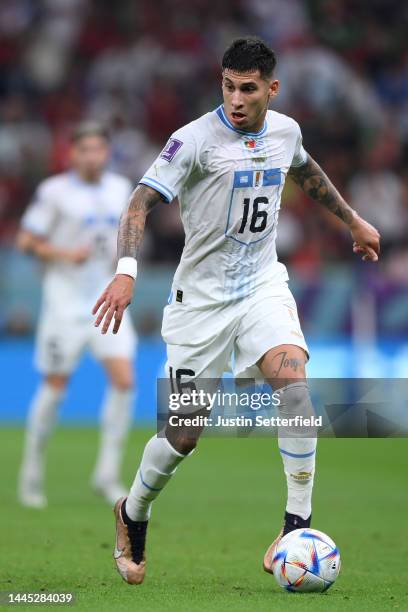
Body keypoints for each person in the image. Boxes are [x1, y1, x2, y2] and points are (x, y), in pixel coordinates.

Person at [93, 37, 380, 585]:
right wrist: (126, 273)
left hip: (261, 287)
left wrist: (352, 220)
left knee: (294, 385)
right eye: (228, 86)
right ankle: (132, 512)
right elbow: (139, 202)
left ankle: (296, 525)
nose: (236, 98)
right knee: (185, 432)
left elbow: (305, 169)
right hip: (199, 305)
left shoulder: (286, 131)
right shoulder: (193, 141)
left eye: (248, 88)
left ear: (272, 89)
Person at [17, 121, 137, 508]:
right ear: (72, 153)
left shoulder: (121, 188)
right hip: (64, 303)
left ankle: (106, 473)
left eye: (98, 149)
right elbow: (25, 241)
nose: (92, 156)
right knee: (56, 385)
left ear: (107, 152)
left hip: (106, 297)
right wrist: (64, 255)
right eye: (84, 149)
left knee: (124, 380)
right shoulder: (54, 192)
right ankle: (31, 473)